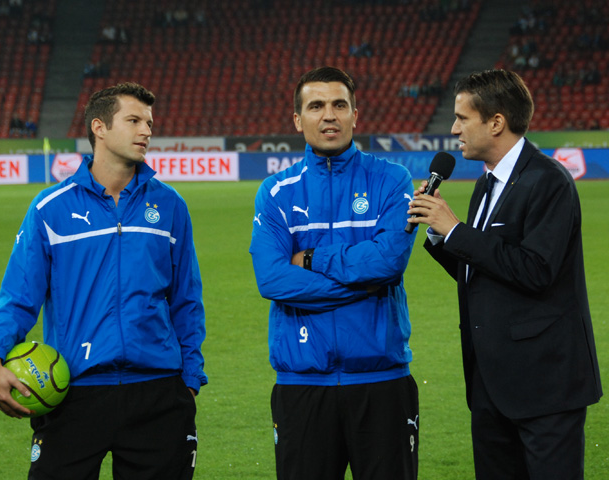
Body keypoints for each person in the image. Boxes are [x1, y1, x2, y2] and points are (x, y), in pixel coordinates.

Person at [0, 82, 207, 479]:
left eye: (149, 123)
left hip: (158, 392)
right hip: (74, 393)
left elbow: (186, 299)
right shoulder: (50, 209)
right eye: (133, 121)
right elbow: (19, 298)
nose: (146, 131)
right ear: (99, 127)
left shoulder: (170, 205)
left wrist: (189, 380)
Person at [407, 69, 602, 480]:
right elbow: (482, 273)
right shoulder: (486, 185)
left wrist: (456, 231)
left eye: (462, 118)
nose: (454, 129)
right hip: (491, 383)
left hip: (545, 386)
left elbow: (536, 270)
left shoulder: (548, 181)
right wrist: (440, 235)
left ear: (496, 122)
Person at [250, 66, 419, 479]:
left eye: (339, 105)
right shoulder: (275, 192)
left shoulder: (392, 181)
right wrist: (364, 284)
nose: (329, 115)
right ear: (298, 120)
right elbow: (271, 279)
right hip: (302, 383)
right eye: (316, 106)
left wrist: (310, 259)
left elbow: (388, 262)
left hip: (382, 381)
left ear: (355, 115)